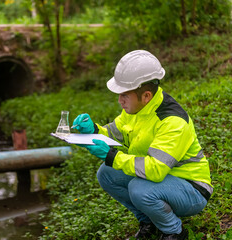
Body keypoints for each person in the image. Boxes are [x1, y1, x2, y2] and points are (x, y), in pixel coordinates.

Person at [72, 50, 213, 240]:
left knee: (140, 189)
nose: (120, 100)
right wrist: (94, 130)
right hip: (164, 180)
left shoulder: (172, 121)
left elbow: (155, 170)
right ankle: (148, 220)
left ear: (146, 95)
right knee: (106, 174)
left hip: (191, 189)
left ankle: (174, 231)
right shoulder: (137, 109)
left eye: (124, 95)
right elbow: (116, 131)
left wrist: (113, 156)